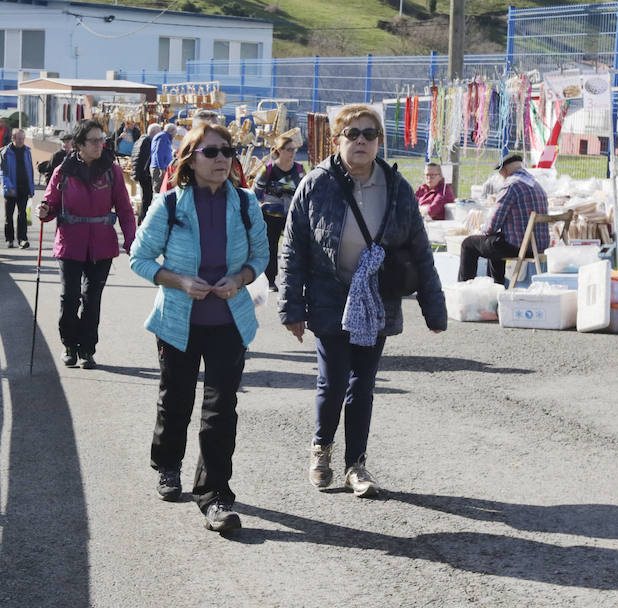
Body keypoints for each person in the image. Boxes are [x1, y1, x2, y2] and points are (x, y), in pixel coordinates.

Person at [278, 104, 447, 498]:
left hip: (377, 299)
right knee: (334, 380)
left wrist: (434, 309)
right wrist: (292, 307)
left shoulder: (397, 186)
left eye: (369, 134)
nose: (360, 141)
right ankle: (322, 450)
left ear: (378, 142)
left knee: (363, 384)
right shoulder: (317, 183)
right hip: (328, 296)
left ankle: (357, 464)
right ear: (337, 140)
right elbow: (293, 249)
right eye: (352, 134)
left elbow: (420, 250)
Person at [129, 123, 268, 533]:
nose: (223, 158)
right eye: (212, 152)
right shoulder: (170, 204)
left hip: (229, 322)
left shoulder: (245, 204)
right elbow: (140, 257)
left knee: (221, 409)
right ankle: (168, 465)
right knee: (175, 401)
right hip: (178, 322)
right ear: (191, 160)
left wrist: (240, 278)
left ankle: (215, 496)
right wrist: (180, 281)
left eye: (228, 150)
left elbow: (261, 255)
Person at [37, 119, 137, 369]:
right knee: (69, 298)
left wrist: (132, 241)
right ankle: (69, 345)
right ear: (79, 144)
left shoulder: (112, 171)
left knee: (92, 299)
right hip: (70, 243)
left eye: (102, 139)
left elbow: (125, 209)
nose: (100, 144)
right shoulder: (63, 170)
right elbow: (50, 205)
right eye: (93, 140)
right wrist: (44, 210)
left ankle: (87, 350)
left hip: (102, 245)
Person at [457, 153, 549, 285]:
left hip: (520, 247)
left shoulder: (511, 186)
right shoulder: (536, 184)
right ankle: (496, 286)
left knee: (469, 244)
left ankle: (464, 289)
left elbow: (492, 224)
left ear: (504, 171)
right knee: (494, 242)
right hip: (538, 246)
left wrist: (482, 231)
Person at [253, 134, 305, 291]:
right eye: (289, 150)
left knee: (297, 247)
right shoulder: (269, 169)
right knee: (272, 247)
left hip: (292, 215)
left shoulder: (299, 169)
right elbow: (256, 190)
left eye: (294, 150)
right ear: (280, 151)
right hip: (271, 215)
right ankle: (270, 280)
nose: (292, 153)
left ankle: (295, 281)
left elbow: (304, 190)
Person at [0, 128, 35, 249]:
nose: (21, 141)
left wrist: (31, 189)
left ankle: (22, 239)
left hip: (24, 188)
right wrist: (8, 186)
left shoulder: (27, 151)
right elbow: (2, 172)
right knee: (9, 215)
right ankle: (9, 239)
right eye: (19, 138)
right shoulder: (5, 152)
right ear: (13, 138)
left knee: (22, 214)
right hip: (10, 189)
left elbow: (30, 170)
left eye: (23, 139)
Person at [130, 123, 161, 224]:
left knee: (146, 196)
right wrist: (147, 173)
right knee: (147, 197)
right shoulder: (148, 142)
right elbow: (146, 159)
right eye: (159, 131)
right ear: (154, 132)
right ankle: (143, 219)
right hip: (144, 174)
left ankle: (142, 218)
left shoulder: (141, 140)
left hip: (140, 173)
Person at [149, 123, 176, 193]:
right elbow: (159, 153)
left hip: (160, 167)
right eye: (175, 132)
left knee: (161, 190)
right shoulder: (163, 137)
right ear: (172, 131)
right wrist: (162, 169)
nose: (175, 135)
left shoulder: (164, 137)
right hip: (159, 168)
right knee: (159, 191)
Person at [0, 117, 12, 182]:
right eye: (0, 122)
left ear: (4, 123)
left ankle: (4, 175)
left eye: (2, 122)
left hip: (4, 148)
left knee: (4, 162)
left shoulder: (7, 129)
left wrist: (6, 146)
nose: (1, 123)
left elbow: (9, 139)